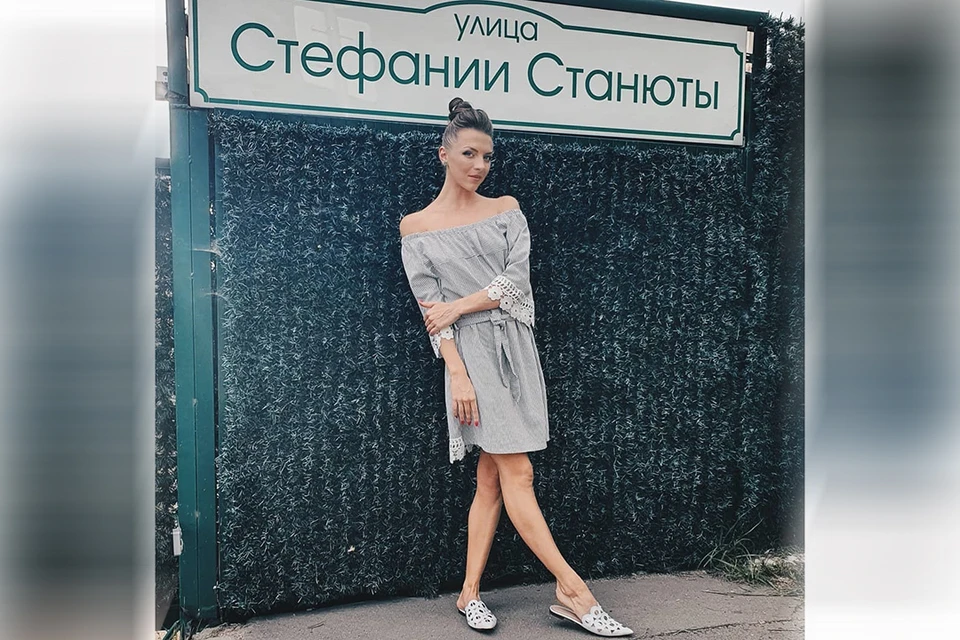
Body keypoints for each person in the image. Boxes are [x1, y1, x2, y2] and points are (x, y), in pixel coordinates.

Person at [399, 97, 633, 637]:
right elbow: (432, 312)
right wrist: (457, 374)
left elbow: (516, 282)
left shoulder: (506, 208)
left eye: (487, 156)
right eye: (469, 153)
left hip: (517, 349)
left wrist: (458, 305)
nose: (479, 165)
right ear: (444, 154)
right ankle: (573, 591)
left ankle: (468, 593)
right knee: (519, 472)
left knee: (491, 478)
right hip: (471, 359)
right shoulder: (417, 227)